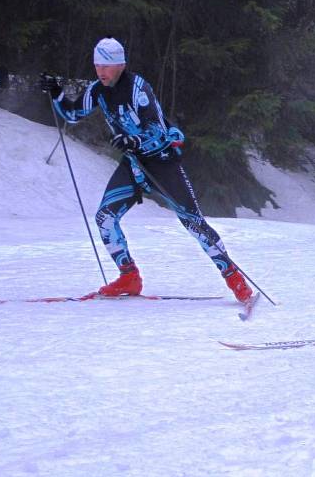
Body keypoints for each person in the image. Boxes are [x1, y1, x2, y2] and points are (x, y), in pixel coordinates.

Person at [40, 37, 253, 303]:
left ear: (120, 65)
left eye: (106, 66)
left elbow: (157, 129)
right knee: (105, 217)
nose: (100, 72)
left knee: (193, 222)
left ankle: (235, 280)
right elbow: (72, 114)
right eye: (97, 66)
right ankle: (129, 277)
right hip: (133, 165)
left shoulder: (138, 88)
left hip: (161, 161)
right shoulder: (98, 89)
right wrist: (57, 92)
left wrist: (134, 140)